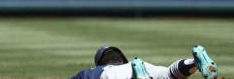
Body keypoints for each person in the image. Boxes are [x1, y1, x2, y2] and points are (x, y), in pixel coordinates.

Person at [69, 45, 218, 79]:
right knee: (170, 74)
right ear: (121, 59)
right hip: (141, 66)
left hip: (111, 76)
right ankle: (194, 62)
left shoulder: (92, 72)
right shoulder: (131, 64)